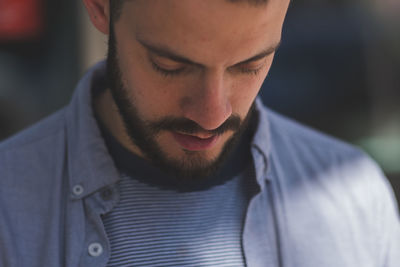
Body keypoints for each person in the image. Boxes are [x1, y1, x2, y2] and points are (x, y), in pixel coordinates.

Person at [0, 0, 399, 266]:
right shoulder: (9, 211)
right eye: (170, 65)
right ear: (101, 7)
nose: (212, 115)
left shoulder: (357, 203)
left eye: (250, 66)